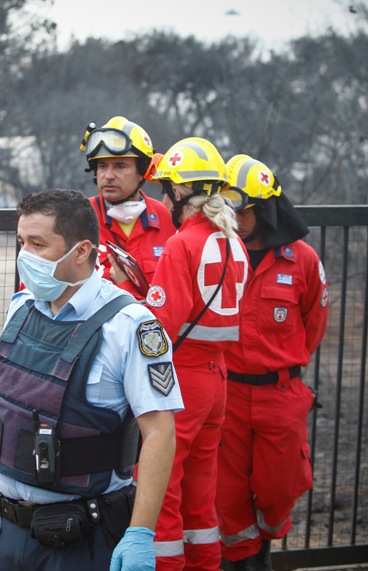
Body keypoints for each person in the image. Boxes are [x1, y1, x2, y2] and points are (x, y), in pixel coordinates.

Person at [0, 189, 182, 571]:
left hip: (81, 536)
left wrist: (141, 532)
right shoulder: (23, 306)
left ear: (82, 251)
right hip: (5, 529)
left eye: (38, 244)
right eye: (22, 242)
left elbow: (159, 433)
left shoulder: (130, 326)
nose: (25, 256)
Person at [215, 155, 329, 571]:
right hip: (226, 393)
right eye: (228, 209)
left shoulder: (303, 260)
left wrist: (282, 365)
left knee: (279, 486)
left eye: (242, 210)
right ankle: (244, 561)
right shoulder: (218, 252)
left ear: (265, 210)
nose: (235, 219)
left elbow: (314, 323)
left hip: (280, 394)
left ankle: (266, 539)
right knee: (226, 493)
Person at [144, 137, 249, 571]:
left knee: (161, 486)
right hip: (216, 379)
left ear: (180, 194)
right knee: (201, 493)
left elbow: (158, 327)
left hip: (180, 380)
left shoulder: (181, 244)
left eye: (166, 188)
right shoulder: (233, 243)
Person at [80, 116, 174, 299]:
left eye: (120, 166)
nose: (108, 175)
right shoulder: (79, 218)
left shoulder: (163, 217)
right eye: (102, 166)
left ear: (142, 172)